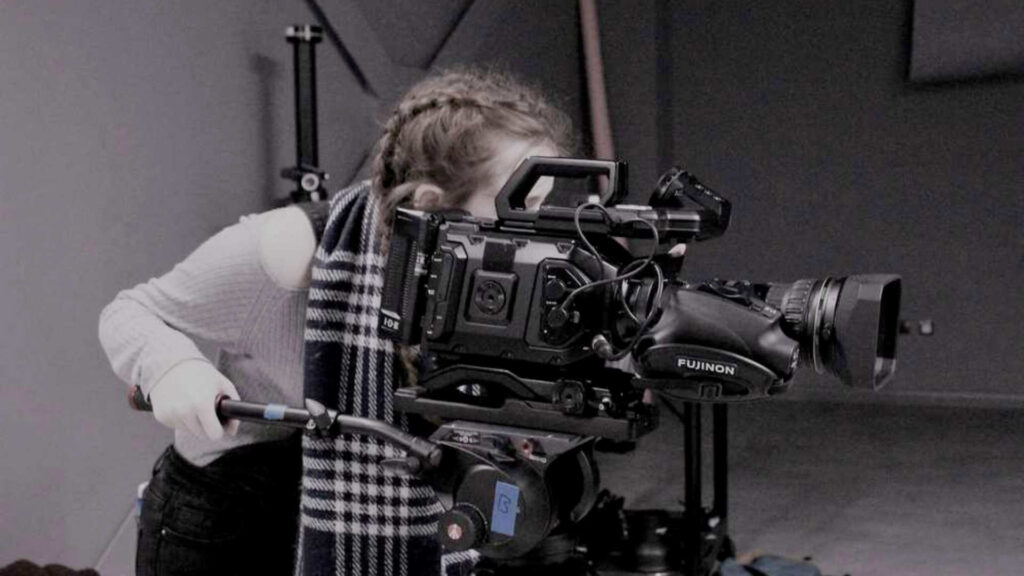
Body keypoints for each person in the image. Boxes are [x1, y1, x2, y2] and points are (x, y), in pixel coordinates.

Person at [98, 67, 576, 576]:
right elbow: (129, 311)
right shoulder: (291, 252)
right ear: (431, 206)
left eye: (544, 202)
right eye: (523, 202)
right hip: (228, 520)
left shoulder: (502, 280)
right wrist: (172, 368)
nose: (539, 225)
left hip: (360, 502)